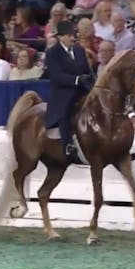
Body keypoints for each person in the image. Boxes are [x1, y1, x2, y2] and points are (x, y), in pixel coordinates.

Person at [44, 20, 95, 162]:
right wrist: (77, 79)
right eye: (69, 35)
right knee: (65, 111)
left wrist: (93, 82)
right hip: (63, 92)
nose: (73, 38)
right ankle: (68, 145)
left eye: (73, 35)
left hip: (82, 89)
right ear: (60, 37)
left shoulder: (79, 50)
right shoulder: (52, 53)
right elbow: (56, 76)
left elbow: (88, 71)